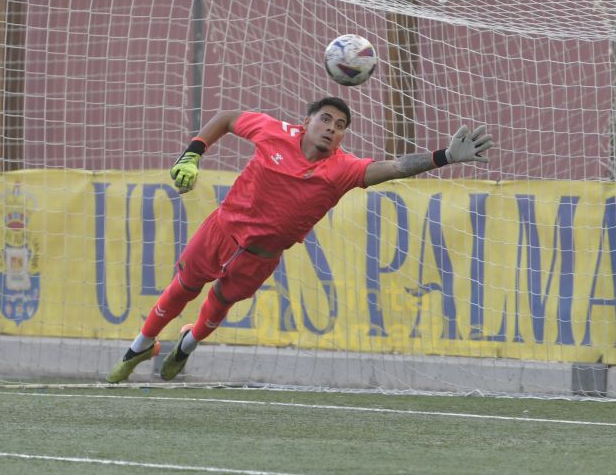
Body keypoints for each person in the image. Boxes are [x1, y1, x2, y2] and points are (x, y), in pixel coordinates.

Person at [106, 96, 494, 383]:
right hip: (221, 229)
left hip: (260, 256)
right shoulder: (273, 132)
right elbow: (226, 118)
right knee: (184, 287)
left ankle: (185, 346)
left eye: (340, 125)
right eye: (325, 119)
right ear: (306, 122)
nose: (331, 128)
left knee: (218, 304)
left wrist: (443, 156)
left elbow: (393, 167)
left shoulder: (343, 169)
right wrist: (191, 154)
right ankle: (140, 347)